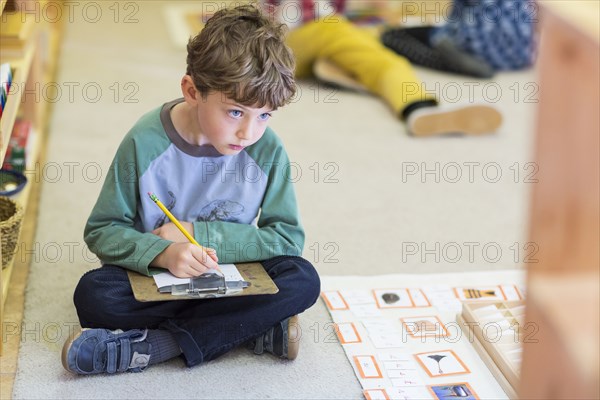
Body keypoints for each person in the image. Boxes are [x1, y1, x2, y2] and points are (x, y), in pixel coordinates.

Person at [61, 5, 321, 375]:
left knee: (302, 279)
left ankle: (155, 346)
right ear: (192, 90)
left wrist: (200, 233)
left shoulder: (267, 149)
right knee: (95, 294)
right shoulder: (144, 141)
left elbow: (287, 239)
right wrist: (164, 253)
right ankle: (251, 327)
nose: (249, 133)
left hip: (236, 276)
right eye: (235, 112)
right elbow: (102, 231)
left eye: (264, 116)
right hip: (162, 276)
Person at [264, 0, 502, 137]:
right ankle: (417, 106)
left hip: (320, 35)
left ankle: (334, 69)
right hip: (285, 40)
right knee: (381, 59)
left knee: (375, 43)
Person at [382, 0, 537, 76]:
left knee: (391, 37)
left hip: (480, 45)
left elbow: (459, 16)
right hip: (522, 53)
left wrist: (441, 33)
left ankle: (453, 63)